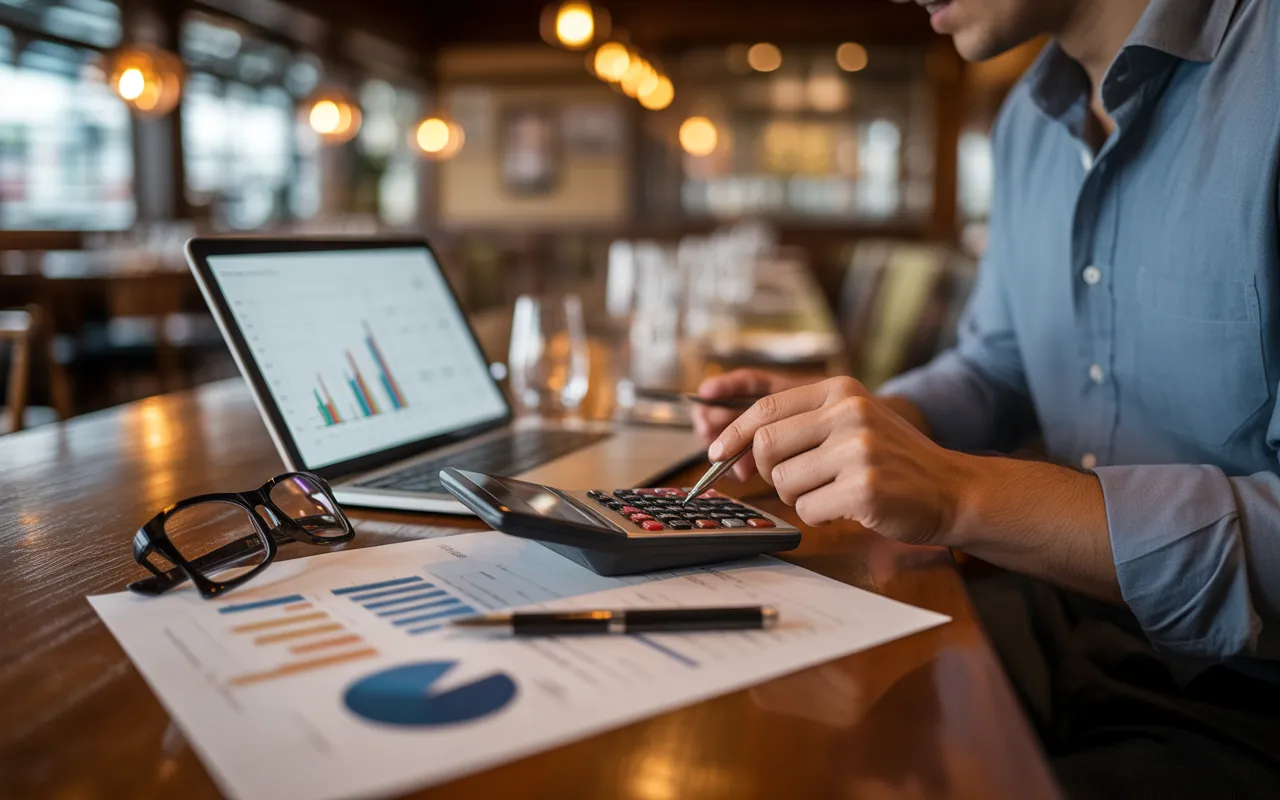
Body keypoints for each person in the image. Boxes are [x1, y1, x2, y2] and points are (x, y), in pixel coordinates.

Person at [693, 0, 1280, 796]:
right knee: (753, 729)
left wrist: (963, 492)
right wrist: (856, 424)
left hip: (1248, 696)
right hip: (1067, 615)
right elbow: (997, 363)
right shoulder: (1025, 128)